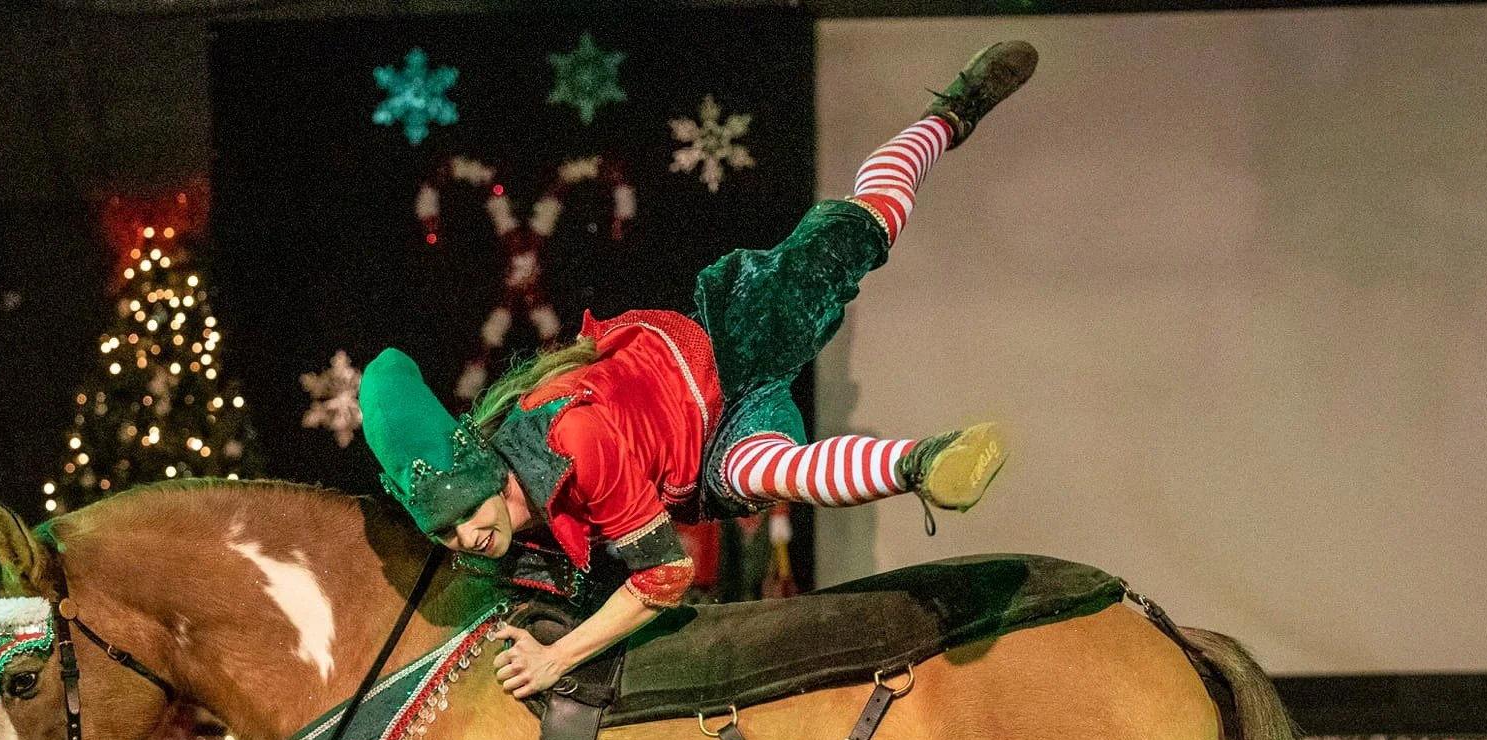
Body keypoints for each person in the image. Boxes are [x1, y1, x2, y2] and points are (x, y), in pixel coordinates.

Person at [361, 41, 1038, 699]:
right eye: (444, 532)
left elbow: (665, 573)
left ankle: (946, 116)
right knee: (771, 471)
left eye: (463, 514)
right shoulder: (496, 539)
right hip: (709, 456)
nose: (465, 537)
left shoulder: (572, 438)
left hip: (729, 345)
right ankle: (924, 463)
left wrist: (557, 656)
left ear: (484, 473)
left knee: (867, 227)